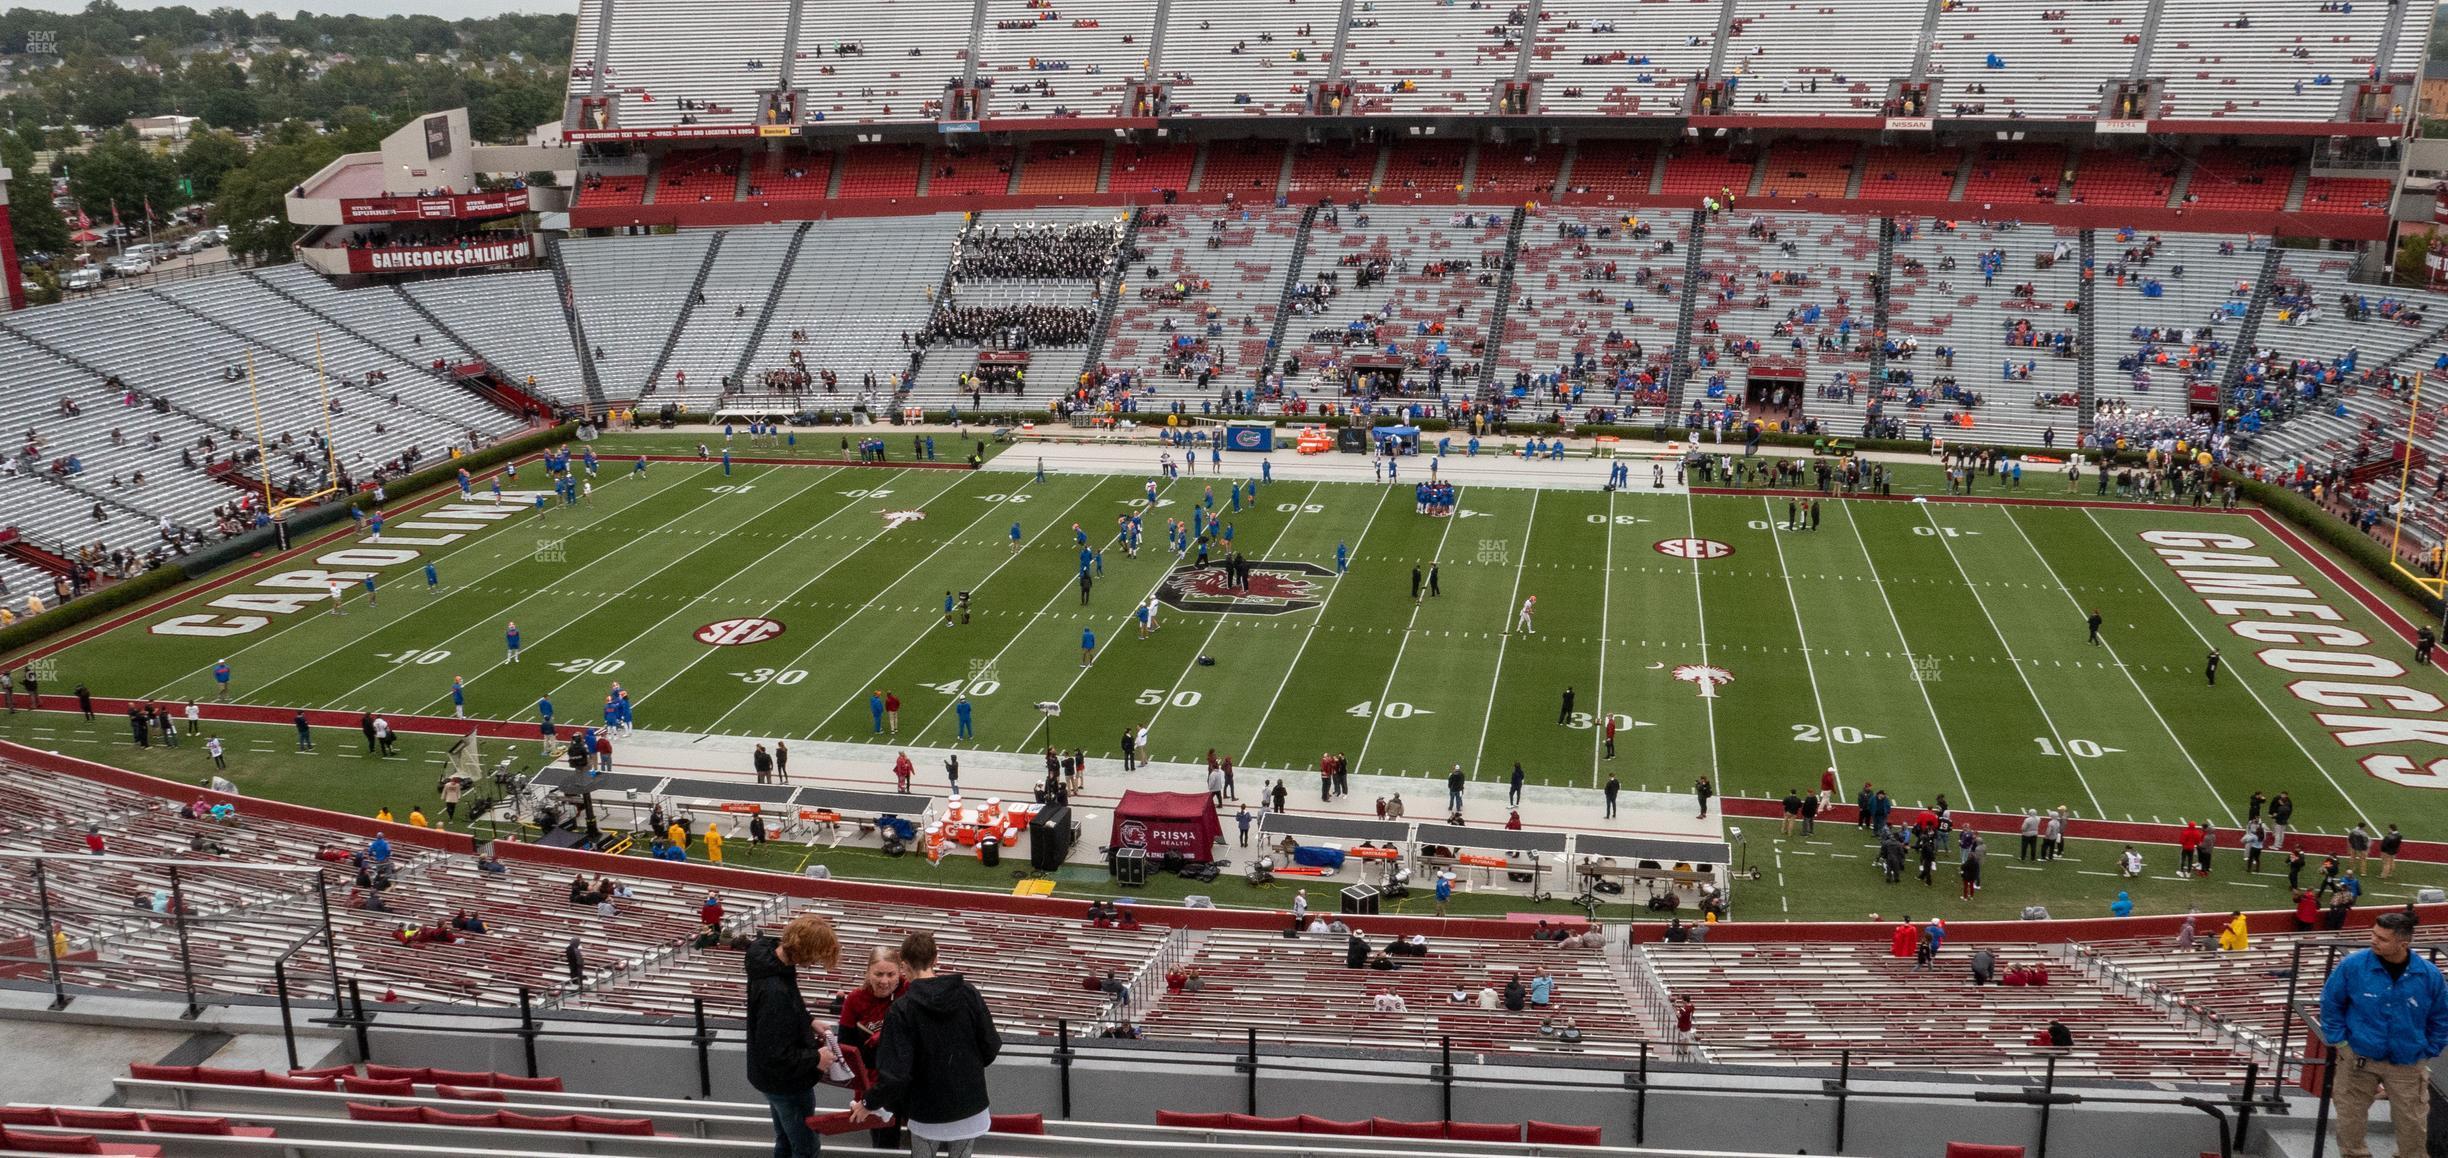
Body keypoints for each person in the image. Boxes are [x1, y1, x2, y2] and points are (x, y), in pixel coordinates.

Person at [852, 931, 1001, 1158]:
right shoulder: (968, 994)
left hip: (927, 1110)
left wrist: (868, 1102)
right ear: (936, 959)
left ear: (904, 965)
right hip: (970, 1103)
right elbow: (990, 1045)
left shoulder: (902, 1010)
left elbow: (895, 1074)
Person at [2321, 911, 2448, 1158]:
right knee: (2350, 1121)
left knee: (2413, 1126)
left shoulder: (2429, 975)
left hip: (2408, 1062)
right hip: (2358, 1058)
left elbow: (2441, 1017)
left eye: (2382, 938)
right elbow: (2330, 1003)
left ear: (2403, 943)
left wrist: (2429, 1051)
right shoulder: (2353, 966)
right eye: (2373, 934)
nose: (2374, 940)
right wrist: (2341, 1043)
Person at [745, 915, 840, 1158]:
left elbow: (783, 1015)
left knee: (786, 1140)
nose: (815, 962)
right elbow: (776, 1055)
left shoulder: (767, 956)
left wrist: (808, 1020)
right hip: (787, 1083)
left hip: (771, 1080)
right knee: (805, 1147)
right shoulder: (775, 990)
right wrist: (816, 1058)